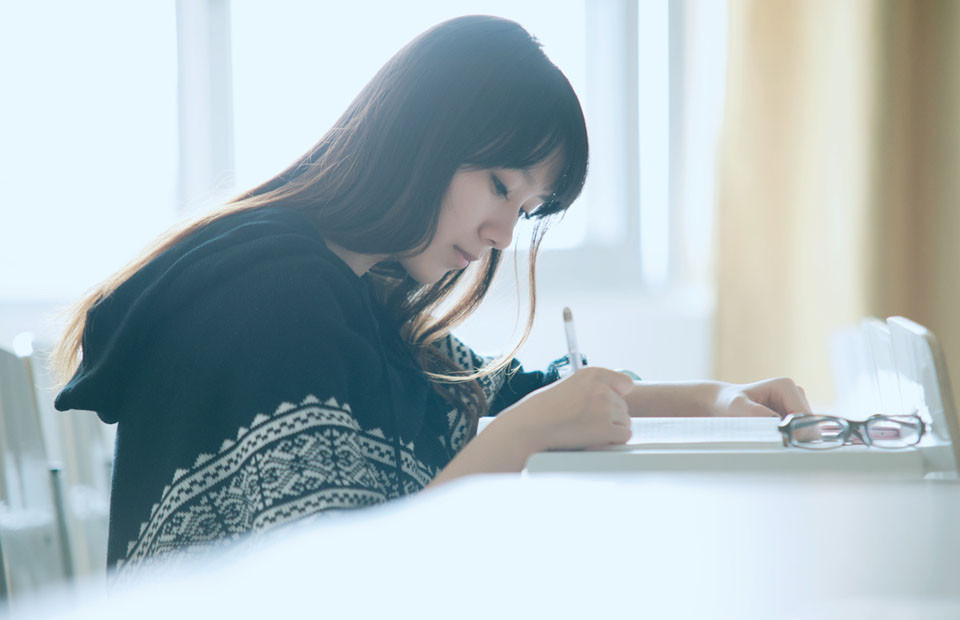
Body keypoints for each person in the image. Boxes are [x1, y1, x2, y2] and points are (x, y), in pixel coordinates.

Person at [52, 15, 809, 573]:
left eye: (524, 211)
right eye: (500, 185)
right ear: (424, 135)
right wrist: (518, 439)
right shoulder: (278, 301)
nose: (504, 235)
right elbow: (336, 586)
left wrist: (715, 398)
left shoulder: (360, 298)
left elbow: (516, 391)